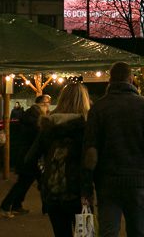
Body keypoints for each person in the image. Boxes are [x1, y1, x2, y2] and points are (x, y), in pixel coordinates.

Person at [84, 62, 144, 237]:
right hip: (137, 179)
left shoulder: (98, 108)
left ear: (110, 79)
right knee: (137, 231)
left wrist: (88, 179)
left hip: (107, 180)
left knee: (108, 231)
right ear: (131, 79)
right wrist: (143, 155)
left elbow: (90, 148)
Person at [25, 84, 91, 237]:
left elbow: (29, 159)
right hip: (81, 193)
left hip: (53, 192)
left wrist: (43, 179)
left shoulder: (48, 125)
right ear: (84, 100)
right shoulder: (87, 126)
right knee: (86, 234)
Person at [1, 93, 51, 217]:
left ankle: (16, 205)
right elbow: (37, 135)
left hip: (29, 155)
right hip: (30, 155)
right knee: (35, 182)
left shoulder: (32, 115)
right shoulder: (34, 117)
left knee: (26, 182)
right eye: (46, 103)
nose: (48, 105)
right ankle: (6, 206)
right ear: (40, 104)